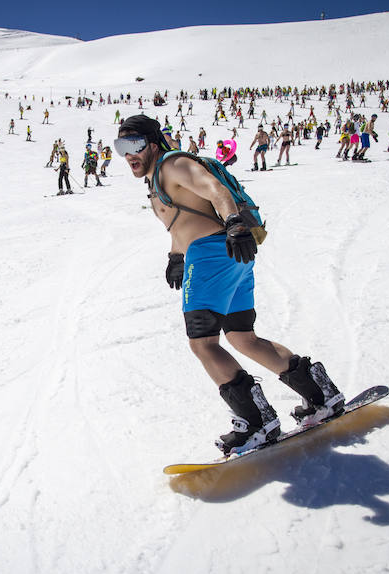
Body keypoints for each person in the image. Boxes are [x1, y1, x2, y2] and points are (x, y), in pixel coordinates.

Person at [113, 115, 345, 456]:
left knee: (203, 344)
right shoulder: (156, 181)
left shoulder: (172, 163)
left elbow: (214, 189)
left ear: (152, 142)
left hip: (215, 253)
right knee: (241, 337)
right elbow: (184, 222)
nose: (128, 153)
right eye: (121, 147)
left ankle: (256, 421)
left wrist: (235, 222)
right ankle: (321, 394)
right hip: (231, 254)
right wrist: (176, 256)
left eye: (134, 144)